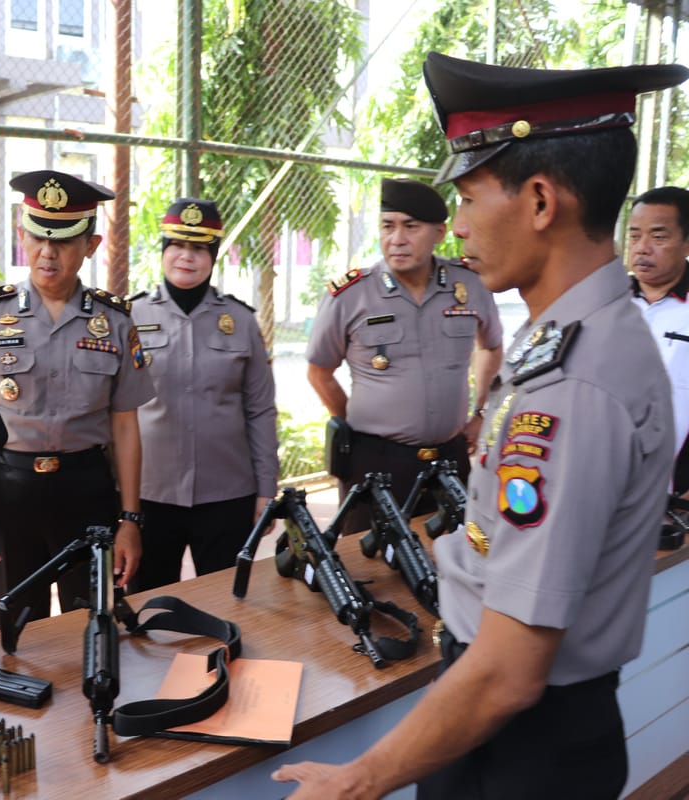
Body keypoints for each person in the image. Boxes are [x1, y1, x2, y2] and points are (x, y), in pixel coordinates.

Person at [273, 52, 683, 800]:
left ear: (538, 201)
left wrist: (359, 780)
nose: (454, 224)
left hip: (520, 744)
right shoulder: (577, 336)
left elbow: (508, 671)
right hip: (525, 725)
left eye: (466, 197)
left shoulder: (573, 385)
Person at [0, 169, 154, 631]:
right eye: (39, 236)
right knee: (15, 637)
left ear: (91, 245)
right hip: (4, 494)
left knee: (92, 632)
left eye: (63, 240)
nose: (48, 252)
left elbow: (126, 426)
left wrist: (130, 519)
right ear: (22, 235)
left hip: (87, 495)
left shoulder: (115, 322)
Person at [306, 176, 503, 534]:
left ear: (440, 232)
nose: (397, 239)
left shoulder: (469, 285)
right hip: (375, 463)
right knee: (368, 566)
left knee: (456, 557)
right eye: (387, 226)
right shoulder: (350, 295)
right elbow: (319, 371)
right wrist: (352, 419)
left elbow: (490, 346)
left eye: (410, 227)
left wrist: (481, 413)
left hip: (450, 458)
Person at [126, 198, 278, 591]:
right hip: (150, 493)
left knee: (227, 601)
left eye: (199, 248)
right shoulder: (130, 317)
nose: (186, 257)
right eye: (177, 245)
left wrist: (265, 491)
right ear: (163, 250)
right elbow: (112, 412)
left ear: (213, 255)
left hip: (227, 494)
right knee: (148, 605)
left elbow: (260, 410)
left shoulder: (241, 321)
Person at [627, 186, 689, 494]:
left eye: (658, 237)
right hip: (601, 486)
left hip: (674, 499)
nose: (642, 248)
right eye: (634, 235)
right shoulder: (606, 303)